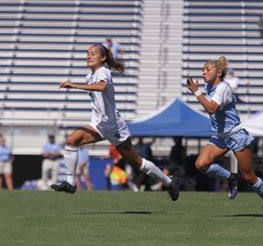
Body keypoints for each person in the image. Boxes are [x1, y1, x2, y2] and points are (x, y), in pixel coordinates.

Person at [51, 44, 181, 201]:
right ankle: (70, 184)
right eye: (87, 53)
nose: (89, 56)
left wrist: (73, 85)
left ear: (103, 58)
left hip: (113, 126)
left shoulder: (103, 71)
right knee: (71, 141)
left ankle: (169, 182)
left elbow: (102, 86)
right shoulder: (89, 76)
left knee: (137, 163)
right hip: (99, 125)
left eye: (93, 53)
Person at [186, 56, 263, 218]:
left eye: (207, 69)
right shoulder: (209, 86)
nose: (203, 72)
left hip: (236, 136)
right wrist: (199, 91)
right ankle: (230, 177)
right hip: (220, 137)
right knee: (201, 164)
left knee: (249, 176)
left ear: (219, 72)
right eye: (203, 69)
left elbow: (212, 109)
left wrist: (196, 91)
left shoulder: (223, 87)